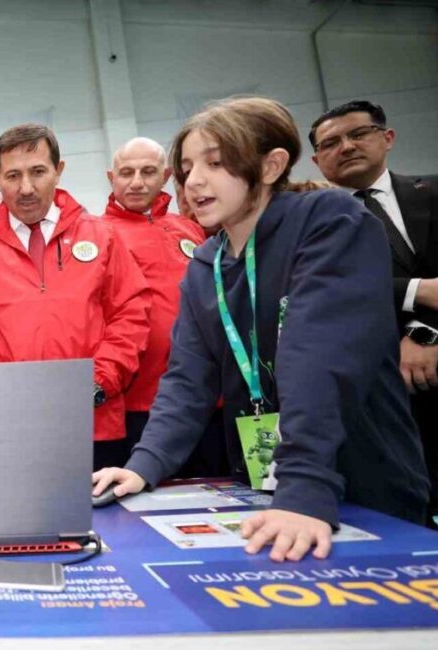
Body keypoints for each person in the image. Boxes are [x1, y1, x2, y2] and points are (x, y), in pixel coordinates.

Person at [93, 97, 430, 562]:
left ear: (271, 165)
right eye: (188, 166)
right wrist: (144, 464)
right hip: (271, 487)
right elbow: (188, 377)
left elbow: (318, 354)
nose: (194, 181)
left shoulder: (329, 221)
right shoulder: (205, 264)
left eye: (215, 162)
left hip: (357, 477)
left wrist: (305, 483)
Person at [0, 124, 151, 469]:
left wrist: (97, 382)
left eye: (38, 172)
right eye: (13, 176)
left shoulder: (102, 235)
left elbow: (130, 315)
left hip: (94, 422)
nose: (26, 188)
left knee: (102, 522)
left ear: (59, 171)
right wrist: (0, 390)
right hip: (8, 427)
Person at [309, 100, 438, 520]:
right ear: (316, 160)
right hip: (374, 392)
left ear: (387, 138)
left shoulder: (433, 191)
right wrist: (417, 291)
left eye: (357, 134)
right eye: (331, 143)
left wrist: (425, 333)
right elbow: (330, 286)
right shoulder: (308, 221)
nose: (345, 147)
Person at [103, 137, 206, 452]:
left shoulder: (192, 230)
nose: (136, 182)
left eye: (148, 172)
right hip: (139, 400)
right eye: (126, 173)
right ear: (111, 178)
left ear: (165, 177)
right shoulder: (97, 234)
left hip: (206, 394)